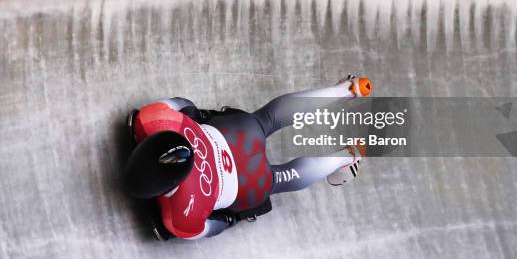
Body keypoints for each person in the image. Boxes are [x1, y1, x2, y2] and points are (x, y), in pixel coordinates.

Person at [122, 75, 372, 240]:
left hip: (247, 185)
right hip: (238, 132)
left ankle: (344, 158)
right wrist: (201, 116)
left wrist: (234, 218)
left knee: (278, 180)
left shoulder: (181, 218)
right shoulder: (152, 118)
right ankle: (347, 90)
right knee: (268, 118)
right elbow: (183, 105)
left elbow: (213, 226)